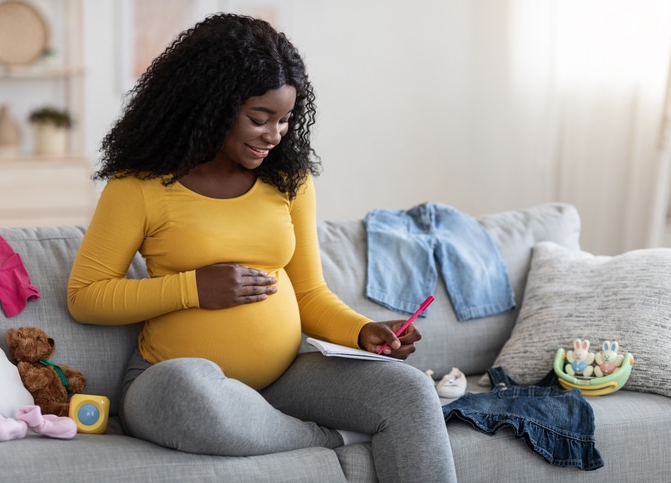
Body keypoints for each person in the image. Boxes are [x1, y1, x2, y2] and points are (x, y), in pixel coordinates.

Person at [67, 13, 457, 483]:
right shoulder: (139, 186)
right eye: (259, 118)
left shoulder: (288, 181)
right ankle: (324, 439)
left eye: (286, 119)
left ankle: (273, 427)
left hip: (286, 377)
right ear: (212, 107)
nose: (275, 134)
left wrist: (362, 332)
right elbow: (86, 295)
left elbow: (309, 293)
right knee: (188, 392)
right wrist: (194, 288)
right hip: (173, 379)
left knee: (410, 392)